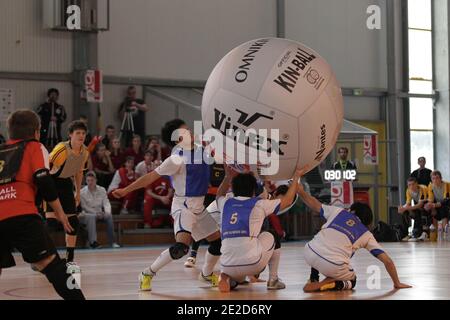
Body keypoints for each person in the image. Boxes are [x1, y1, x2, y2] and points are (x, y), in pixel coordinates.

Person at [113, 119, 221, 291]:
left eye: (189, 130)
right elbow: (149, 177)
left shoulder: (202, 149)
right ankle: (147, 273)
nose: (190, 132)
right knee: (181, 248)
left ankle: (206, 274)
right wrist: (126, 190)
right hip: (184, 205)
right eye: (185, 131)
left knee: (217, 243)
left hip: (199, 206)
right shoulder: (175, 159)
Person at [0, 109, 85, 300]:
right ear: (37, 132)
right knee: (52, 265)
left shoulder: (1, 151)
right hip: (21, 215)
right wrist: (61, 213)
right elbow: (43, 179)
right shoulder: (34, 147)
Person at [295, 168, 411, 292]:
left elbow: (314, 204)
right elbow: (387, 261)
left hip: (309, 252)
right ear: (367, 222)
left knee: (322, 242)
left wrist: (301, 191)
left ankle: (313, 278)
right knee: (352, 280)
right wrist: (397, 283)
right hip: (333, 265)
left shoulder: (339, 211)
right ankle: (329, 282)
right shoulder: (366, 234)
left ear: (352, 210)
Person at [215, 166, 302, 292]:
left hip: (226, 264)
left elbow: (219, 194)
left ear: (233, 189)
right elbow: (288, 200)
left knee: (238, 257)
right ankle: (273, 279)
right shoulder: (259, 204)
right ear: (252, 191)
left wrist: (227, 176)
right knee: (271, 234)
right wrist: (296, 177)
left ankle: (229, 277)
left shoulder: (225, 203)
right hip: (253, 263)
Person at [46, 120, 89, 268]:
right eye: (78, 133)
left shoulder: (85, 152)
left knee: (73, 223)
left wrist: (77, 192)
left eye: (83, 133)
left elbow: (78, 172)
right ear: (70, 135)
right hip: (50, 182)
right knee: (50, 223)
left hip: (65, 184)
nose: (81, 136)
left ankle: (69, 258)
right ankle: (43, 257)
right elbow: (45, 167)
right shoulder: (61, 150)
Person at [80, 172, 120, 248]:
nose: (90, 182)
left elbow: (106, 202)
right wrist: (96, 213)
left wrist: (107, 212)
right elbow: (84, 207)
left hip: (100, 213)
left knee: (109, 216)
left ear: (96, 180)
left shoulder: (102, 190)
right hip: (88, 213)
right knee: (91, 217)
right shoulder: (82, 192)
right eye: (88, 180)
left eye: (92, 180)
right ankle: (93, 242)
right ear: (86, 181)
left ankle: (112, 242)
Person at [398, 177, 429, 241]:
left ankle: (423, 233)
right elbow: (408, 203)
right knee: (404, 212)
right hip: (418, 207)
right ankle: (406, 234)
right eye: (409, 185)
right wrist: (402, 208)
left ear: (416, 184)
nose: (411, 186)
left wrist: (407, 208)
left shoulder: (422, 189)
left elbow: (420, 205)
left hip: (428, 206)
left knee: (422, 209)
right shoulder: (408, 190)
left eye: (413, 184)